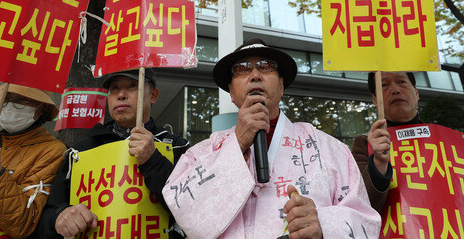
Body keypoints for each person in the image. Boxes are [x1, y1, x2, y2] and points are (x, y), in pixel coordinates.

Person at [163, 38, 381, 238]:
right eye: (242, 69)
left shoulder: (329, 149)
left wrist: (324, 223)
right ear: (230, 91)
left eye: (266, 67)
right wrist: (237, 142)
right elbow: (182, 211)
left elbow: (366, 221)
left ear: (282, 86)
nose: (255, 75)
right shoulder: (201, 153)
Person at [38, 68, 190, 238]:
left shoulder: (177, 147)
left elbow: (191, 208)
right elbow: (47, 216)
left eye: (132, 86)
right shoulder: (81, 151)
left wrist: (152, 160)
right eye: (114, 89)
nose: (121, 95)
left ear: (153, 95)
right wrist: (59, 217)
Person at [352, 71, 464, 235]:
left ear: (417, 93)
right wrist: (378, 163)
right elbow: (360, 204)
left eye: (402, 82)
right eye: (384, 85)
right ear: (375, 100)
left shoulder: (459, 143)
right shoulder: (366, 144)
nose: (395, 90)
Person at [0, 84, 66, 238]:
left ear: (42, 108)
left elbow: (24, 224)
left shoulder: (52, 151)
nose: (9, 107)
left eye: (22, 101)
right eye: (6, 98)